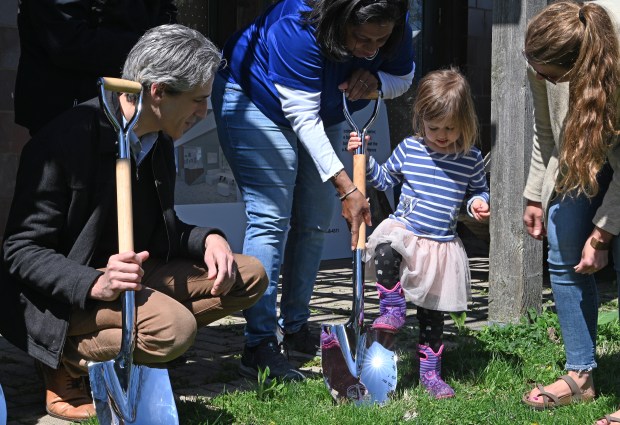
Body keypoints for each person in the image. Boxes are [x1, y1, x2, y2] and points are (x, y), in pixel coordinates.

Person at [0, 24, 268, 422]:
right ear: (158, 91)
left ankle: (135, 346)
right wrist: (94, 282)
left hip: (131, 275)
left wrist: (208, 239)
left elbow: (161, 230)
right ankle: (63, 362)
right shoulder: (64, 141)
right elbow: (20, 251)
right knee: (173, 329)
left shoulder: (157, 139)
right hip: (62, 295)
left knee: (248, 275)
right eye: (197, 100)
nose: (203, 112)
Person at [211, 0, 415, 382]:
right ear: (340, 20)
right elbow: (302, 117)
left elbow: (403, 76)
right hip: (256, 97)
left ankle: (296, 327)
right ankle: (259, 343)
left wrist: (377, 83)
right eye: (361, 38)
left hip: (324, 111)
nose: (371, 49)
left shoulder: (395, 22)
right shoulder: (298, 27)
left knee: (316, 221)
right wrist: (346, 186)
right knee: (271, 216)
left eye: (380, 40)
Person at [346, 68, 490, 399]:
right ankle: (393, 306)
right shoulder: (411, 149)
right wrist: (363, 158)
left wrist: (479, 205)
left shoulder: (469, 157)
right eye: (433, 127)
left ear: (464, 122)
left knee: (432, 316)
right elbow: (384, 181)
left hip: (441, 246)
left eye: (450, 128)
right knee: (384, 245)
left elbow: (477, 194)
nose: (441, 134)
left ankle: (430, 375)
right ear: (420, 119)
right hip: (407, 230)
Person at [519, 1, 620, 422]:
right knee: (562, 240)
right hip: (583, 151)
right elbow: (547, 131)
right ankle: (581, 375)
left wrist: (603, 235)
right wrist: (533, 192)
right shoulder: (551, 47)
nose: (538, 76)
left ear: (579, 66)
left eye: (547, 74)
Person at [14, 0, 177, 135]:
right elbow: (67, 41)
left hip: (140, 109)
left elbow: (164, 12)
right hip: (74, 112)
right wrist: (148, 49)